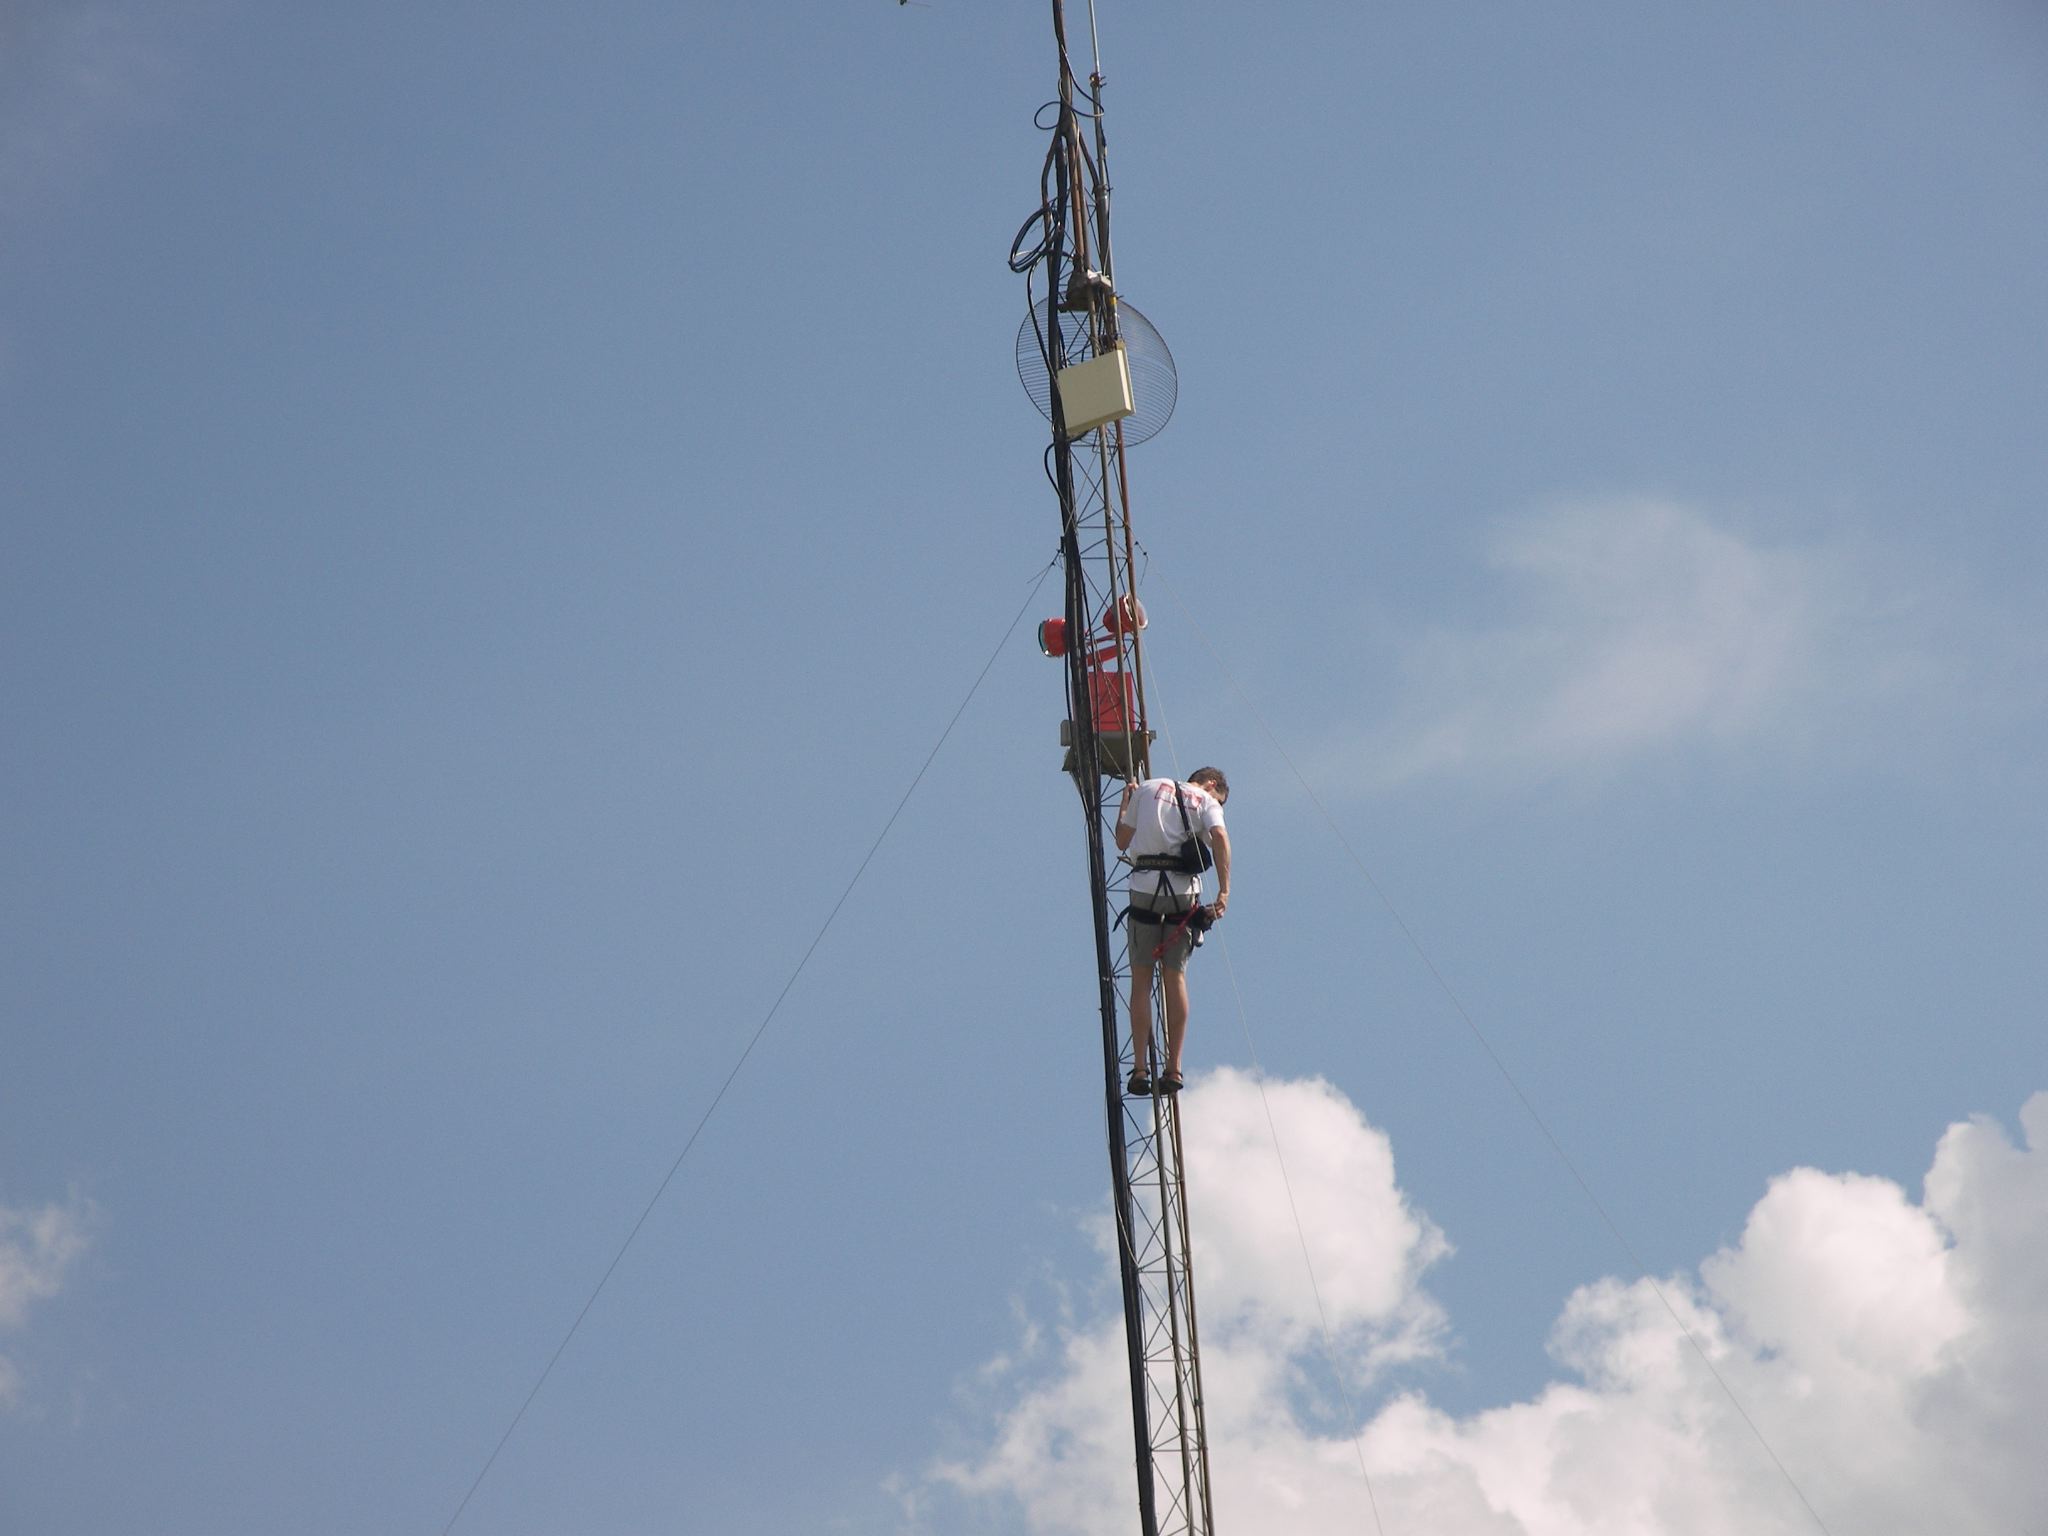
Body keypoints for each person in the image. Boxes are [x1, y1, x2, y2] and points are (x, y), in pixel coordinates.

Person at [1113, 767, 1230, 1096]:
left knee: (1140, 980)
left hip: (1144, 888)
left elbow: (1122, 841)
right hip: (1181, 894)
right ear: (1211, 784)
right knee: (1174, 977)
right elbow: (1219, 837)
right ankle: (1174, 1067)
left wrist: (1125, 804)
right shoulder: (1206, 800)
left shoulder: (1147, 788)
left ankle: (1140, 1068)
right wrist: (1224, 891)